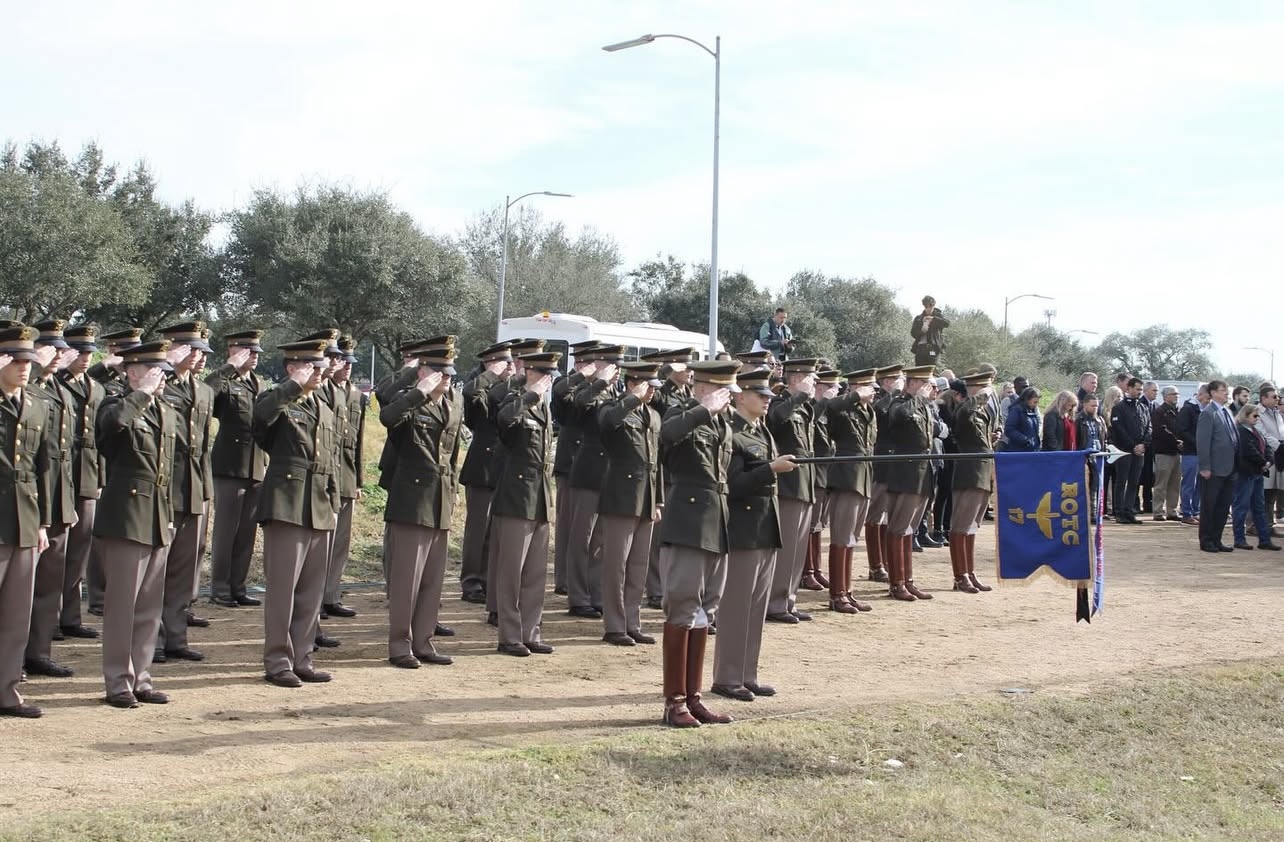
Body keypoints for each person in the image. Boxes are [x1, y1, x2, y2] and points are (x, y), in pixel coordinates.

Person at [95, 339, 178, 708]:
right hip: (126, 516)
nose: (161, 379)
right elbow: (110, 431)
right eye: (153, 371)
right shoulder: (116, 404)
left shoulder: (168, 412)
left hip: (158, 514)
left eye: (163, 372)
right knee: (122, 605)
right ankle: (117, 682)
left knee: (148, 606)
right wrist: (140, 394)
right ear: (132, 372)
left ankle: (141, 677)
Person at [657, 359, 740, 728]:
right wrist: (702, 410)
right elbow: (667, 435)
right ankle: (674, 702)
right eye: (724, 391)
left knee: (706, 609)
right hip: (688, 521)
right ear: (705, 387)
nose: (729, 398)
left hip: (715, 522)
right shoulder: (683, 412)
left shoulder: (723, 422)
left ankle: (694, 697)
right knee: (683, 607)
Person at [255, 339, 339, 688]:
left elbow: (329, 459)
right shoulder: (275, 400)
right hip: (287, 504)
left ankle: (302, 657)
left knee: (310, 591)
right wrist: (292, 386)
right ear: (292, 367)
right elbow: (260, 420)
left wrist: (332, 501)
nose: (321, 373)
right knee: (283, 590)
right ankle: (278, 661)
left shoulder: (322, 404)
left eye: (322, 367)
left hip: (318, 505)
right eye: (312, 367)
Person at [710, 367, 795, 701]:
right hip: (743, 529)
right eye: (760, 395)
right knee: (736, 607)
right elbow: (730, 485)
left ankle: (748, 673)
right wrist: (770, 469)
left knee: (757, 607)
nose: (766, 401)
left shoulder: (762, 431)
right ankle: (727, 676)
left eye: (768, 396)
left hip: (764, 527)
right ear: (740, 396)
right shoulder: (732, 434)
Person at [379, 336, 461, 668]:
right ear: (425, 371)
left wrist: (453, 492)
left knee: (431, 579)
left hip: (440, 498)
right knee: (406, 580)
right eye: (440, 372)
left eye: (450, 373)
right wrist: (419, 390)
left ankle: (424, 640)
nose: (447, 379)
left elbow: (451, 455)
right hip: (411, 500)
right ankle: (400, 645)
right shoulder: (408, 400)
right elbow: (387, 417)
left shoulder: (452, 404)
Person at [490, 351, 561, 657]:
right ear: (529, 371)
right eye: (544, 373)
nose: (549, 379)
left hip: (540, 498)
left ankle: (530, 632)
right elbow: (504, 420)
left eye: (551, 374)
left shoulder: (543, 407)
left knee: (534, 573)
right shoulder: (516, 398)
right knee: (511, 573)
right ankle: (509, 635)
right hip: (516, 497)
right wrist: (531, 394)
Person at [155, 321, 215, 663]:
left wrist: (204, 489)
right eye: (192, 349)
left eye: (203, 351)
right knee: (157, 572)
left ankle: (176, 636)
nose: (199, 357)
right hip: (166, 486)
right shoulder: (158, 385)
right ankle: (154, 638)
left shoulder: (203, 391)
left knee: (183, 569)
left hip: (194, 487)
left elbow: (204, 445)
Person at [23, 320, 80, 679]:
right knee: (18, 588)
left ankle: (38, 652)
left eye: (61, 348)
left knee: (49, 583)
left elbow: (64, 453)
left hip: (57, 499)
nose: (59, 354)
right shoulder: (24, 390)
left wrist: (68, 503)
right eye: (52, 348)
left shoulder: (62, 390)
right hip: (25, 500)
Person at [0, 326, 52, 718]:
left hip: (25, 516)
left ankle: (7, 690)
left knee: (17, 615)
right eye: (15, 360)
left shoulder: (36, 405)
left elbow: (42, 468)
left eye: (28, 361)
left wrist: (42, 523)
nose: (24, 368)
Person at [596, 362, 663, 647]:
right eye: (648, 386)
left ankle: (632, 622)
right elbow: (608, 423)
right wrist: (632, 398)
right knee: (617, 566)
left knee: (638, 565)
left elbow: (656, 463)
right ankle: (614, 625)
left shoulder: (654, 416)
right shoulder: (614, 409)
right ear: (633, 382)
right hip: (621, 496)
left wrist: (658, 499)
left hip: (646, 496)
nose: (652, 393)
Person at [206, 329, 269, 608]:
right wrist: (228, 367)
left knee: (246, 532)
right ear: (233, 351)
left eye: (256, 352)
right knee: (226, 530)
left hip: (256, 465)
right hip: (229, 466)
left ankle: (238, 586)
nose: (254, 357)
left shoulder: (258, 384)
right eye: (248, 352)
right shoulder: (225, 381)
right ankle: (219, 588)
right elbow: (205, 395)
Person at [566, 344, 625, 620]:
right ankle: (578, 596)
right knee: (582, 538)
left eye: (618, 365)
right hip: (589, 470)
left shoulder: (617, 391)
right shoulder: (586, 389)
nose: (617, 370)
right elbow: (579, 404)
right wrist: (599, 380)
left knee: (600, 539)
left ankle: (596, 593)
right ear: (598, 364)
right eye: (612, 364)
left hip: (609, 472)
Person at [57, 324, 105, 641]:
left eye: (89, 351)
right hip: (60, 471)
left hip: (86, 472)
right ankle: (47, 618)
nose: (86, 357)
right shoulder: (54, 384)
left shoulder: (96, 389)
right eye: (79, 351)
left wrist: (99, 476)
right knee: (55, 553)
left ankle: (71, 617)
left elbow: (100, 437)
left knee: (79, 550)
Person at [457, 341, 515, 604]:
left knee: (495, 531)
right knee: (478, 530)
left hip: (503, 466)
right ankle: (471, 582)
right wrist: (491, 372)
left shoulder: (510, 389)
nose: (511, 367)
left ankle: (488, 579)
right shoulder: (480, 388)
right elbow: (470, 393)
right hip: (482, 466)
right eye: (506, 362)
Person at [764, 358, 818, 624]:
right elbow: (776, 418)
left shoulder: (804, 406)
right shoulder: (778, 401)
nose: (814, 382)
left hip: (804, 484)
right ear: (796, 378)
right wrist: (798, 397)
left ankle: (788, 600)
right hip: (787, 485)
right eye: (810, 377)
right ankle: (774, 602)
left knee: (798, 551)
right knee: (785, 549)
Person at [640, 348, 694, 610]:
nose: (690, 371)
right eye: (685, 366)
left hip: (683, 470)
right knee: (659, 535)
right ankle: (655, 588)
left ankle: (669, 584)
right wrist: (666, 368)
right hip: (665, 469)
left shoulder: (689, 394)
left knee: (675, 534)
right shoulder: (662, 392)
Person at [550, 340, 602, 596]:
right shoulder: (569, 384)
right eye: (586, 362)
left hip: (593, 467)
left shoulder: (601, 388)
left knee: (587, 532)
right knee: (568, 527)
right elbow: (561, 397)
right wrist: (582, 375)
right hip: (571, 462)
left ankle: (582, 580)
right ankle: (564, 579)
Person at [823, 368, 878, 614]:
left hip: (863, 475)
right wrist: (855, 396)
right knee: (841, 537)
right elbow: (830, 408)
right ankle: (837, 594)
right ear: (857, 387)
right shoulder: (844, 408)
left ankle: (847, 590)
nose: (874, 392)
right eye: (869, 386)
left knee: (852, 538)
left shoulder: (869, 411)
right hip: (846, 476)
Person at [884, 364, 938, 601]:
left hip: (922, 473)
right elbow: (900, 415)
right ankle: (896, 583)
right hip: (904, 474)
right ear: (911, 384)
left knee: (909, 529)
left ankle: (908, 580)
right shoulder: (899, 402)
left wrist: (922, 401)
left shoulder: (922, 405)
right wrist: (919, 399)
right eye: (923, 383)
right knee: (899, 528)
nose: (927, 388)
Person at [322, 335, 366, 620]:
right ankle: (316, 597)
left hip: (346, 474)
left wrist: (359, 480)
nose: (346, 366)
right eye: (341, 360)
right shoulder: (323, 391)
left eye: (349, 361)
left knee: (340, 544)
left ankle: (331, 594)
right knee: (323, 543)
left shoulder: (354, 395)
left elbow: (358, 440)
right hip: (325, 475)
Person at [949, 371, 997, 593]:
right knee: (961, 526)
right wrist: (980, 397)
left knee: (972, 527)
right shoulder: (964, 408)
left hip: (983, 471)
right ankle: (961, 576)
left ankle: (970, 572)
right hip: (969, 472)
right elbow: (965, 412)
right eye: (986, 389)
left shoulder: (981, 412)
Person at [863, 364, 903, 583]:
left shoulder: (899, 400)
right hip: (882, 462)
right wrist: (894, 393)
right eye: (897, 379)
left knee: (890, 516)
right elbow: (882, 415)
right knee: (875, 515)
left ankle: (888, 562)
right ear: (887, 382)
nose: (901, 383)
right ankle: (876, 565)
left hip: (896, 463)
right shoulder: (880, 402)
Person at [1231, 403, 1280, 551]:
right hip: (1246, 473)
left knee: (1259, 507)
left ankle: (1264, 540)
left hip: (1257, 473)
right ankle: (1239, 539)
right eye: (1255, 415)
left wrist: (1269, 461)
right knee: (1241, 506)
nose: (1257, 418)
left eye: (1258, 416)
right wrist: (1263, 462)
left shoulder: (1255, 431)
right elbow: (1249, 451)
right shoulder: (1241, 431)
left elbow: (1268, 448)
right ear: (1245, 416)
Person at [1197, 380, 1238, 553]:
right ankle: (1206, 540)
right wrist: (1205, 467)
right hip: (1213, 469)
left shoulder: (1226, 411)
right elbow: (1203, 442)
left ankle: (1217, 539)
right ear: (1212, 393)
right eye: (1223, 391)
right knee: (1209, 506)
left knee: (1222, 506)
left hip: (1229, 468)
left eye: (1226, 391)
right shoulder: (1208, 413)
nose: (1226, 393)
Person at [1110, 378, 1152, 524]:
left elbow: (1149, 428)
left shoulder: (1143, 407)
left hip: (1140, 451)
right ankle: (1119, 512)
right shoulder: (1119, 408)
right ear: (1128, 388)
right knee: (1122, 481)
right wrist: (1133, 445)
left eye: (1141, 389)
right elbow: (1119, 429)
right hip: (1124, 451)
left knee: (1134, 482)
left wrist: (1143, 445)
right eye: (1137, 389)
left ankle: (1129, 511)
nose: (1139, 392)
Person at [1175, 384, 1209, 525]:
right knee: (1189, 483)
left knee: (1199, 484)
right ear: (1200, 395)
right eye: (1207, 398)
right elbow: (1182, 430)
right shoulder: (1188, 408)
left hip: (1202, 453)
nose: (1209, 401)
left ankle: (1195, 511)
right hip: (1191, 452)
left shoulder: (1205, 410)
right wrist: (1196, 442)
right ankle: (1186, 512)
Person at [1150, 385, 1183, 522]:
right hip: (1163, 452)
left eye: (1177, 394)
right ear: (1165, 396)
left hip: (1177, 453)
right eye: (1173, 394)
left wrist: (1182, 442)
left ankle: (1172, 511)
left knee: (1175, 484)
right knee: (1161, 484)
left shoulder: (1178, 411)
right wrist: (1176, 441)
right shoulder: (1159, 411)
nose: (1176, 396)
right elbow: (1160, 430)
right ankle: (1158, 511)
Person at [1255, 382, 1284, 525]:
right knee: (1264, 492)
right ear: (1263, 398)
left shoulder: (1277, 413)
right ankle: (1260, 525)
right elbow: (1261, 433)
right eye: (1274, 396)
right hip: (1266, 455)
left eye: (1278, 396)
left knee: (1274, 491)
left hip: (1279, 457)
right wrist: (1279, 445)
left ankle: (1269, 523)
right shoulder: (1257, 412)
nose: (1277, 399)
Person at [1076, 394, 1108, 519]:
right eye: (1092, 405)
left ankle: (1094, 513)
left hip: (1098, 455)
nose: (1095, 408)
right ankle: (1085, 513)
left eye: (1096, 405)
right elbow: (1076, 439)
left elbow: (1104, 438)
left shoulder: (1100, 420)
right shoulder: (1078, 420)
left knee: (1096, 485)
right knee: (1084, 485)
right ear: (1084, 404)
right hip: (1084, 455)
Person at [909, 296, 950, 367]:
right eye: (926, 307)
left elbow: (947, 323)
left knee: (932, 369)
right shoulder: (918, 318)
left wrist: (933, 319)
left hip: (933, 347)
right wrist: (921, 331)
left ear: (933, 305)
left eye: (930, 307)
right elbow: (913, 333)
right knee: (919, 370)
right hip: (921, 348)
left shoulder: (938, 316)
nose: (928, 309)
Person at [1004, 387, 1042, 453]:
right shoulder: (1016, 410)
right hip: (1019, 450)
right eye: (1035, 402)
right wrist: (1025, 440)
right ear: (1027, 399)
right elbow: (1009, 429)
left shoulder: (1032, 411)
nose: (1036, 405)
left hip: (1033, 450)